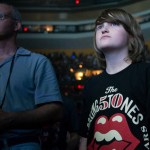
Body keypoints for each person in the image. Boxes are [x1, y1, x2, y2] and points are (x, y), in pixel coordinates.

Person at [79, 8, 150, 150]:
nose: (104, 29)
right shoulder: (91, 85)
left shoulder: (146, 73)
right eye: (99, 27)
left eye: (114, 24)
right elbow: (84, 138)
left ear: (131, 36)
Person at [0, 2, 63, 150]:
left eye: (0, 16)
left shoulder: (37, 62)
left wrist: (11, 119)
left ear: (16, 26)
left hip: (21, 143)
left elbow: (55, 110)